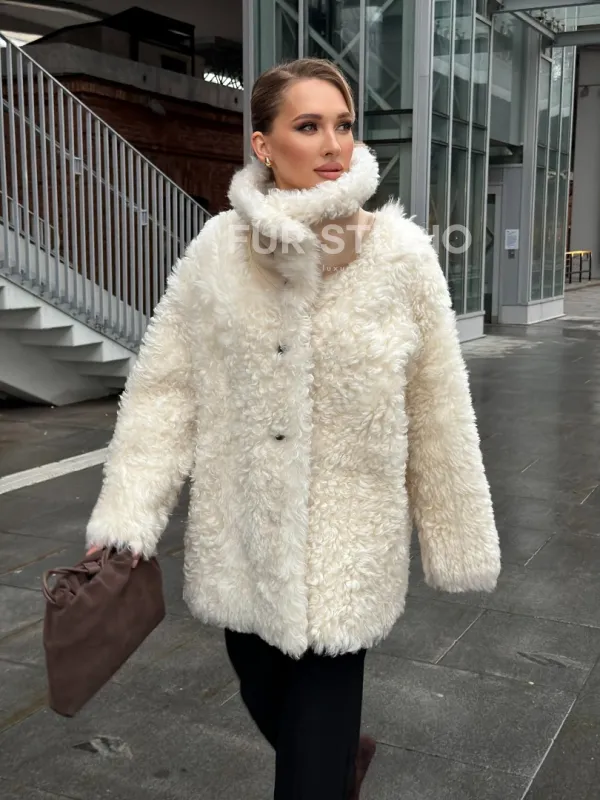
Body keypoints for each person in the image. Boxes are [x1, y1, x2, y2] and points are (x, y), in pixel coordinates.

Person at [86, 57, 501, 799]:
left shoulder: (401, 255)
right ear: (264, 145)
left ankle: (327, 764)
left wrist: (457, 537)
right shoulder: (217, 251)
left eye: (344, 125)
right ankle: (340, 758)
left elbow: (439, 404)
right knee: (261, 685)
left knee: (308, 763)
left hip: (351, 547)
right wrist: (127, 516)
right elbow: (164, 390)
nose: (334, 144)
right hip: (243, 537)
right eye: (308, 126)